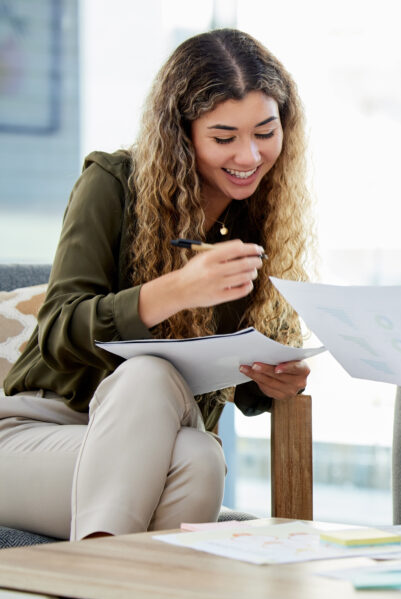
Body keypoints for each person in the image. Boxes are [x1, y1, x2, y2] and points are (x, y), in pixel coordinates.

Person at [0, 29, 313, 541]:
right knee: (151, 378)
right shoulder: (113, 182)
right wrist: (179, 290)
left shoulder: (265, 218)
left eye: (265, 131)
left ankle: (102, 576)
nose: (250, 155)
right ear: (181, 133)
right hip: (37, 437)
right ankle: (111, 577)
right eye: (224, 137)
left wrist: (279, 380)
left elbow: (251, 384)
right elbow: (58, 329)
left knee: (200, 457)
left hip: (170, 445)